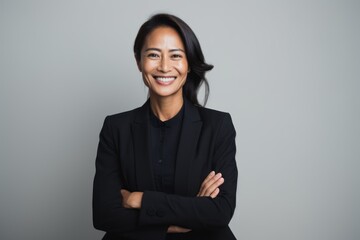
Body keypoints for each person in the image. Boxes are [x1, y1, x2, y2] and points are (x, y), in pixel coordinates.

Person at [92, 13, 238, 240]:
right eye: (153, 55)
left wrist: (138, 200)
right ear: (138, 61)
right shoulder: (116, 128)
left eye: (176, 56)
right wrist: (180, 218)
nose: (164, 66)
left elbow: (220, 212)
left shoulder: (217, 126)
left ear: (188, 64)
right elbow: (104, 215)